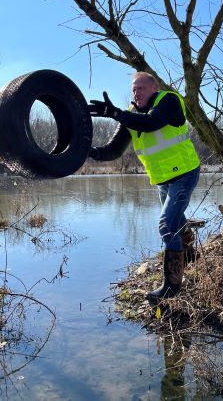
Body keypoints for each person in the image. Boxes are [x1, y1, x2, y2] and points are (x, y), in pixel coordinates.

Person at [87, 72, 200, 303]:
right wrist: (86, 152)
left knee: (166, 226)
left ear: (154, 88)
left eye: (141, 88)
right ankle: (190, 253)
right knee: (176, 223)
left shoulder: (168, 101)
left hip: (185, 173)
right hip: (163, 179)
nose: (137, 93)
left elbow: (152, 124)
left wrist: (116, 113)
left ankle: (172, 286)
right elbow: (113, 150)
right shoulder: (132, 116)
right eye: (134, 90)